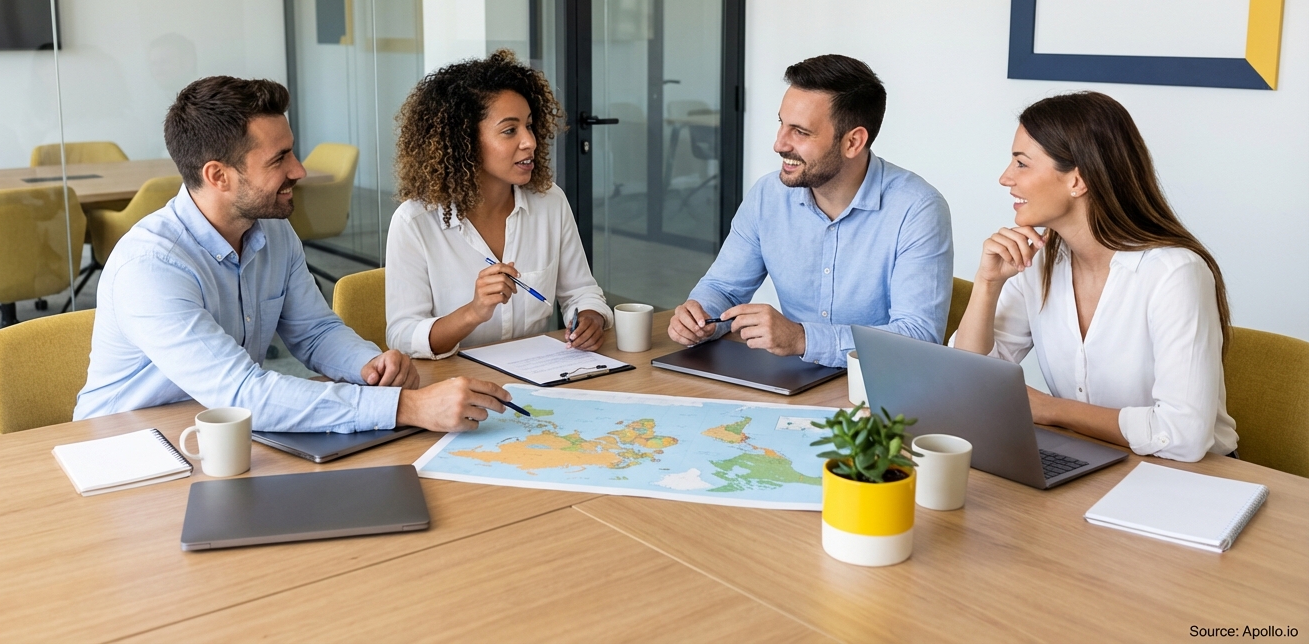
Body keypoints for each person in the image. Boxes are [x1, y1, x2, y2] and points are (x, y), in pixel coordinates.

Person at [75, 76, 510, 433]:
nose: (298, 170)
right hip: (131, 450)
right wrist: (405, 408)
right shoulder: (152, 268)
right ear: (218, 176)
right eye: (279, 158)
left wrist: (369, 366)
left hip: (217, 436)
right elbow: (243, 396)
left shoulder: (273, 231)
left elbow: (315, 332)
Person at [951, 91, 1237, 462]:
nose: (1006, 178)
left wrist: (1050, 409)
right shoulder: (1036, 261)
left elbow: (1183, 435)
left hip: (1191, 478)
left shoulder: (1174, 274)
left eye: (1021, 164)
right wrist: (988, 284)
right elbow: (967, 384)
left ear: (1077, 181)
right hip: (1090, 457)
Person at [668, 54, 953, 367]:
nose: (779, 144)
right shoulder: (768, 195)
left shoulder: (917, 209)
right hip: (791, 380)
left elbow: (919, 336)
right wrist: (699, 316)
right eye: (782, 124)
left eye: (800, 132)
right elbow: (724, 288)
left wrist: (802, 338)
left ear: (853, 142)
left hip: (878, 389)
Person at [385, 50, 612, 358]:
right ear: (464, 140)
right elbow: (402, 336)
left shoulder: (550, 202)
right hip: (454, 389)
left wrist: (589, 318)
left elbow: (581, 292)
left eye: (529, 125)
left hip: (535, 380)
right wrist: (474, 311)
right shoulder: (415, 222)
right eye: (510, 130)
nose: (529, 141)